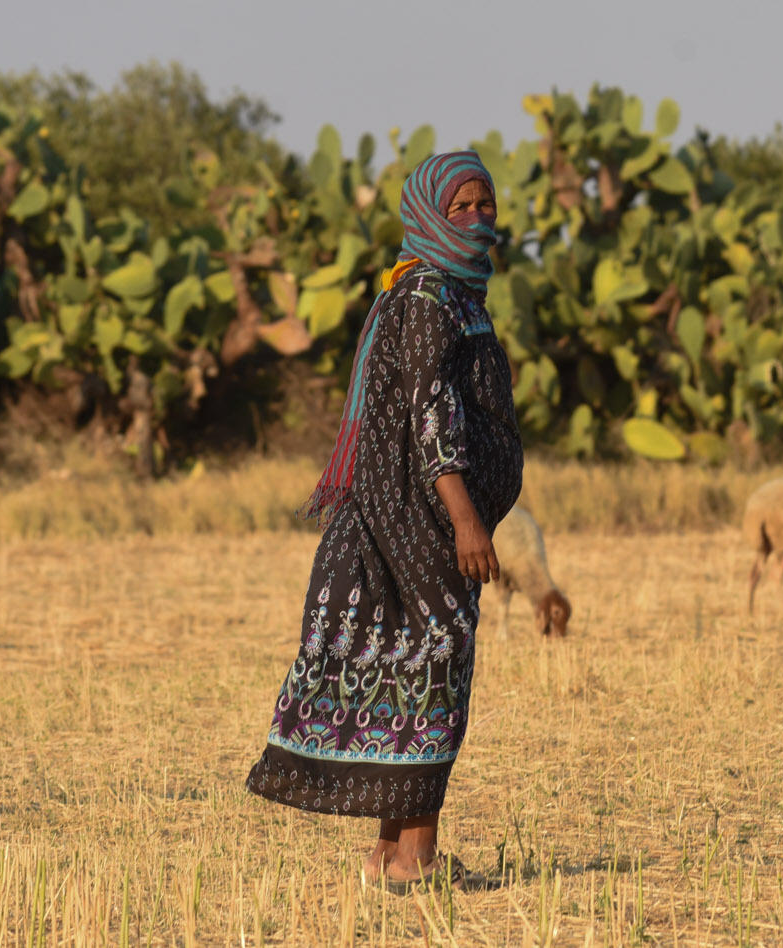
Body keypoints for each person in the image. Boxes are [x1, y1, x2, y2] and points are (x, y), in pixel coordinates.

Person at [246, 151, 522, 891]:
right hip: (420, 523)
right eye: (460, 206)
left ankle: (394, 854)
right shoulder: (429, 295)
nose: (476, 219)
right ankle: (414, 859)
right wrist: (467, 521)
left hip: (418, 519)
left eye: (485, 205)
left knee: (414, 673)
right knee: (433, 679)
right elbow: (434, 411)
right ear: (429, 214)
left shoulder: (455, 293)